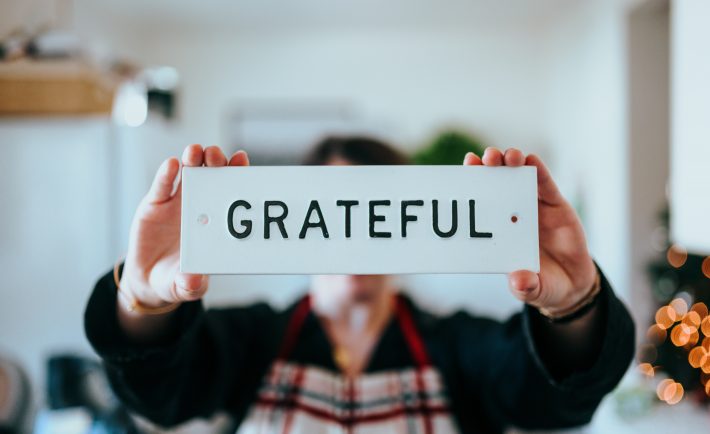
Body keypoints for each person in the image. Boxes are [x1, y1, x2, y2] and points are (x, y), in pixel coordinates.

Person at [84, 137, 635, 434]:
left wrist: (574, 308)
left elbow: (553, 403)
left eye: (377, 211)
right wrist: (146, 299)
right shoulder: (251, 337)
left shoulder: (459, 345)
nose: (357, 235)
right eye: (339, 207)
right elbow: (161, 396)